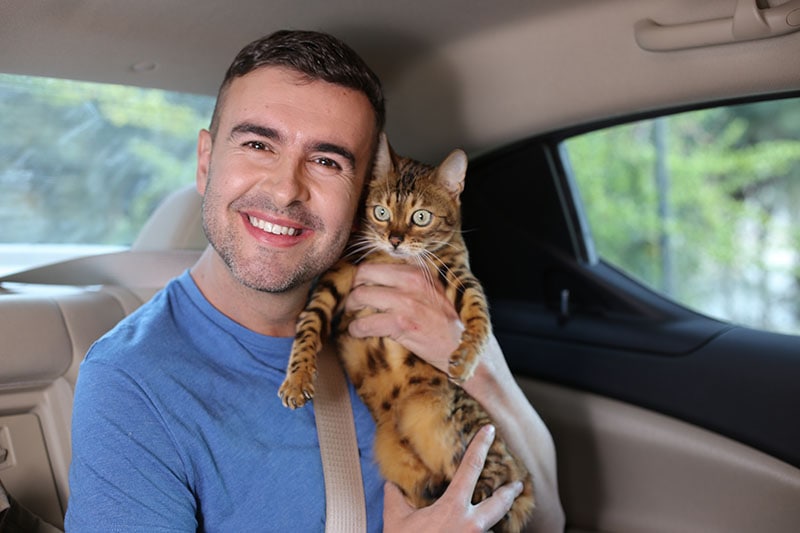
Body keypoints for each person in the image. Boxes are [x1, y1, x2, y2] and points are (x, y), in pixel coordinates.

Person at [65, 30, 565, 532]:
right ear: (205, 161)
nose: (285, 191)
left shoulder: (407, 308)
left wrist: (482, 370)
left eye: (327, 161)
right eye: (259, 144)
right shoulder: (132, 383)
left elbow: (548, 520)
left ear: (364, 192)